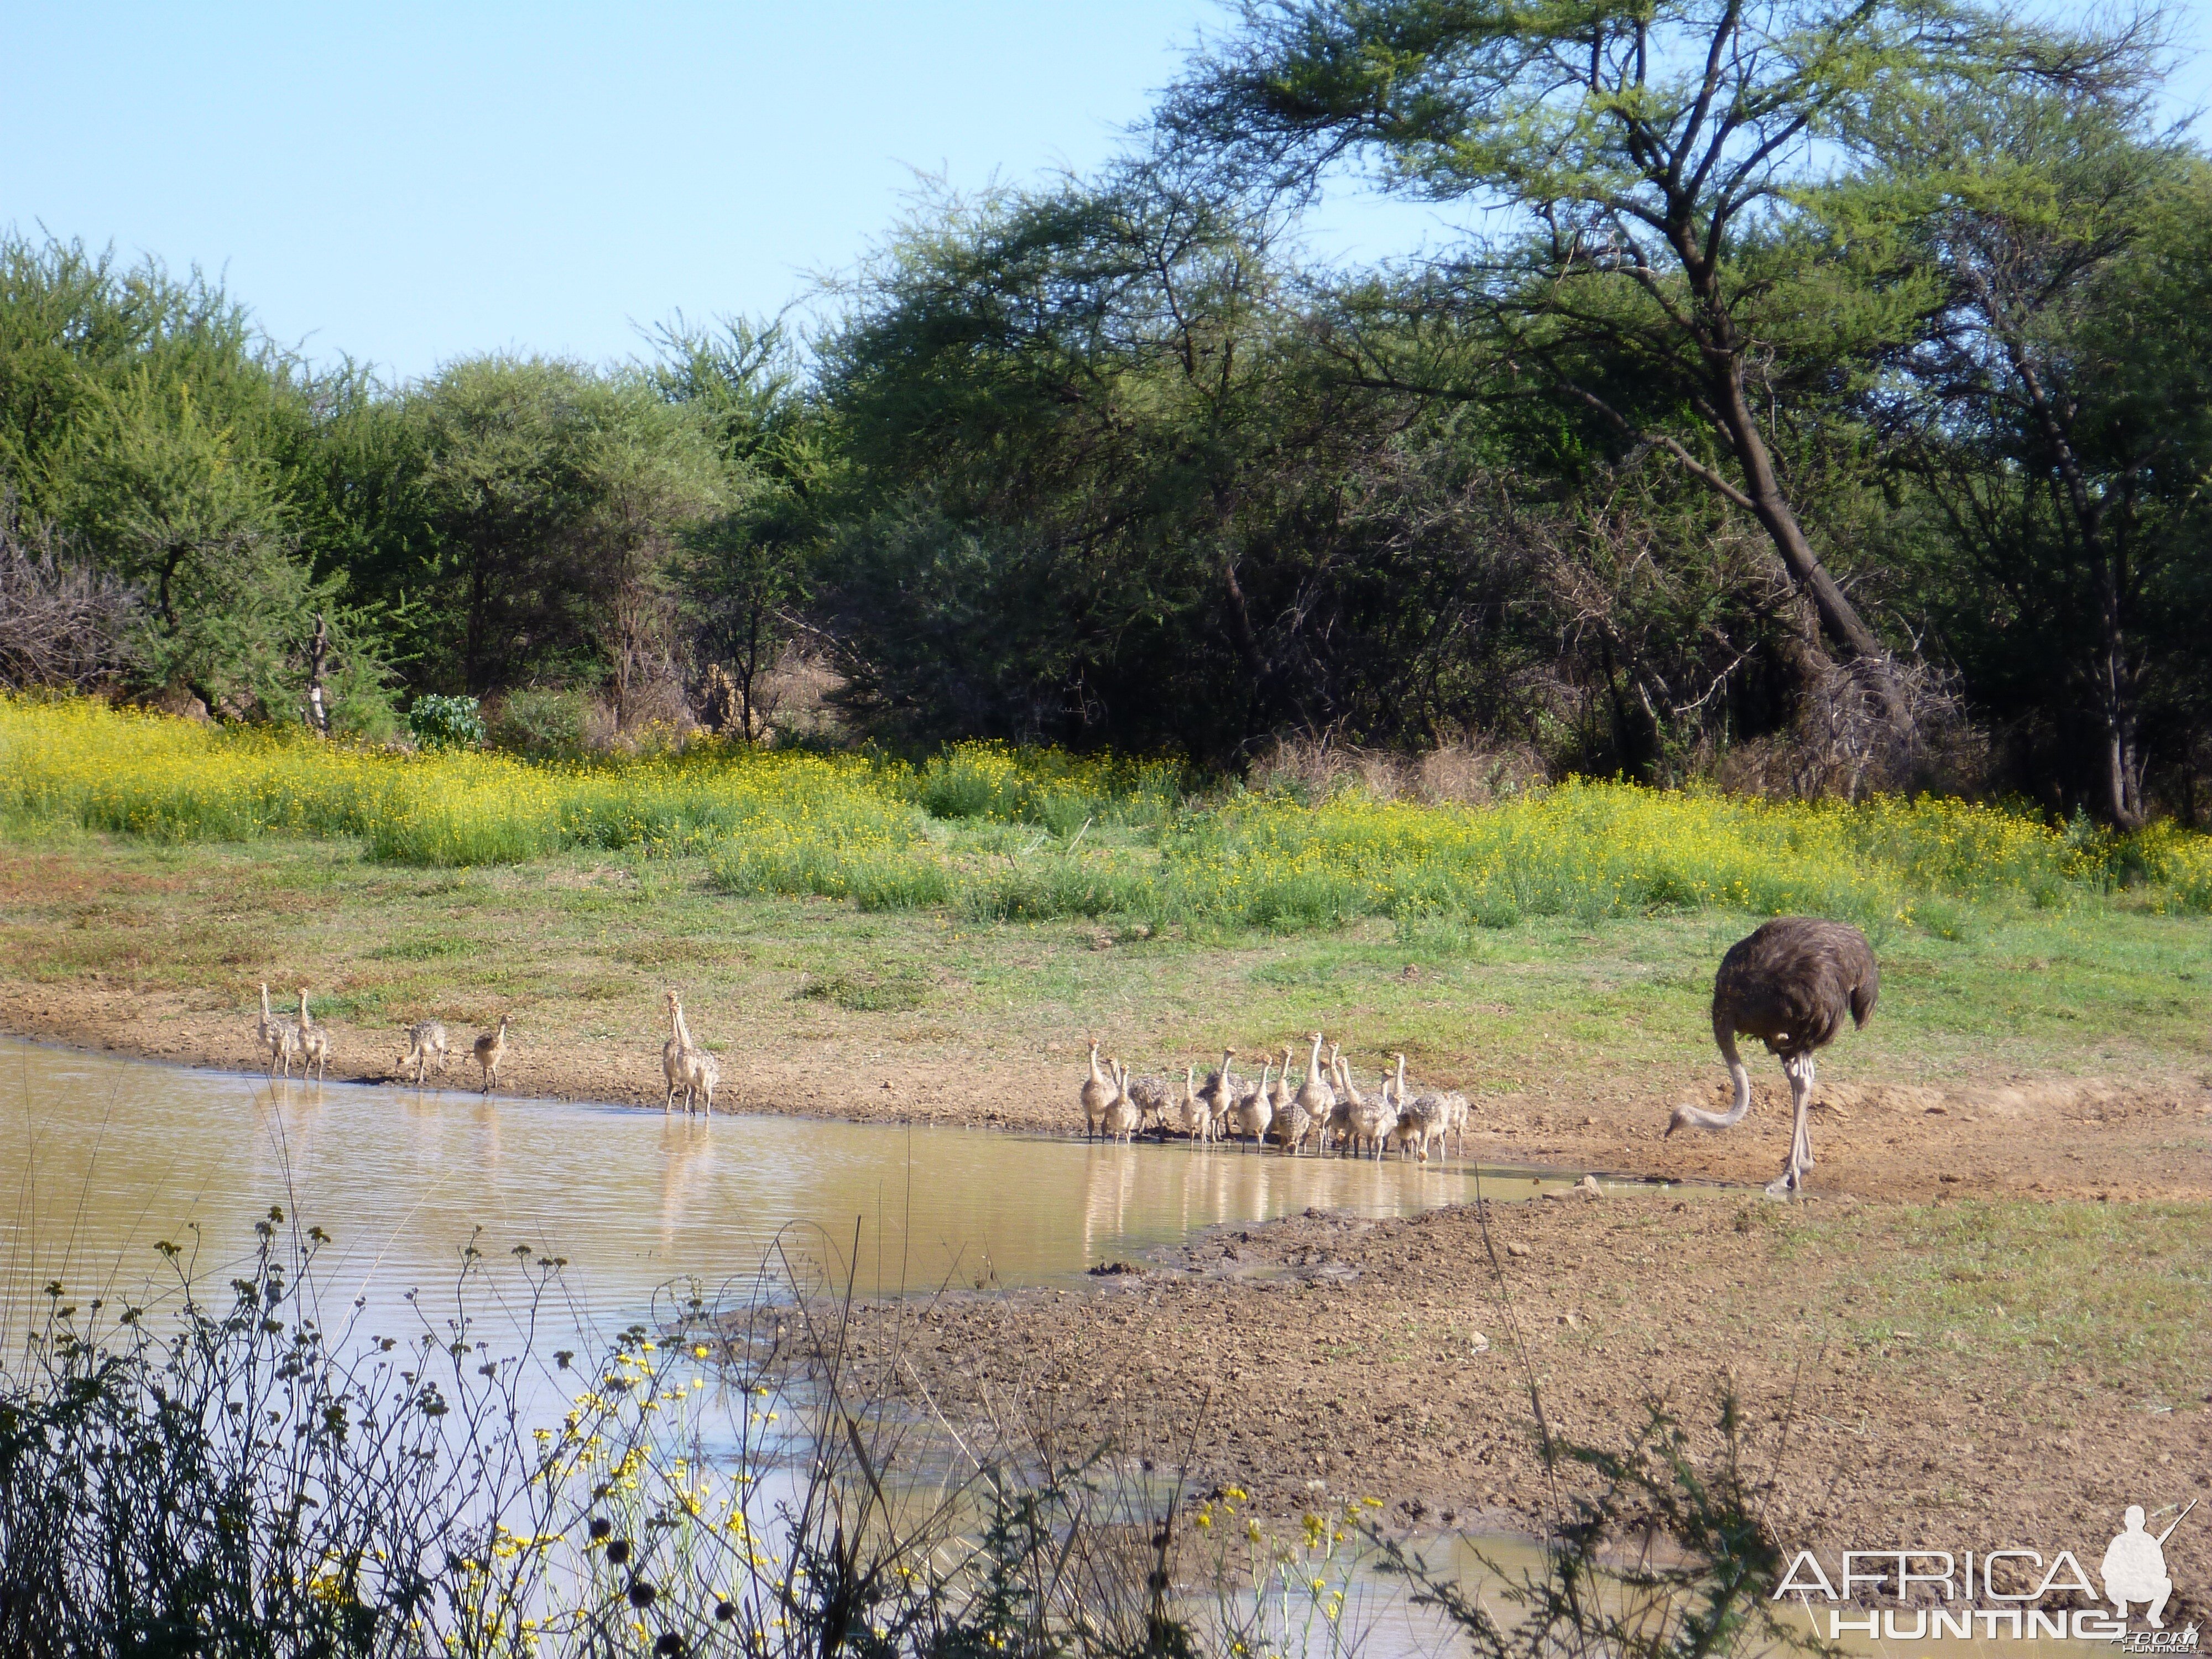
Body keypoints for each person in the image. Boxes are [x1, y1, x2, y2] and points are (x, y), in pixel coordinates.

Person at [2101, 1505, 2174, 1627]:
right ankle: (2121, 1606)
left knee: (2166, 1584)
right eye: (2132, 1521)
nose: (2135, 1524)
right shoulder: (2119, 1541)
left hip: (2143, 1587)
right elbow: (2106, 1570)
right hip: (2122, 1588)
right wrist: (2123, 1574)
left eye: (2138, 1521)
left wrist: (2146, 1574)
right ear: (2126, 1522)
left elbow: (2162, 1570)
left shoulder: (2150, 1542)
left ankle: (2154, 1615)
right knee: (2111, 1583)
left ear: (2143, 1522)